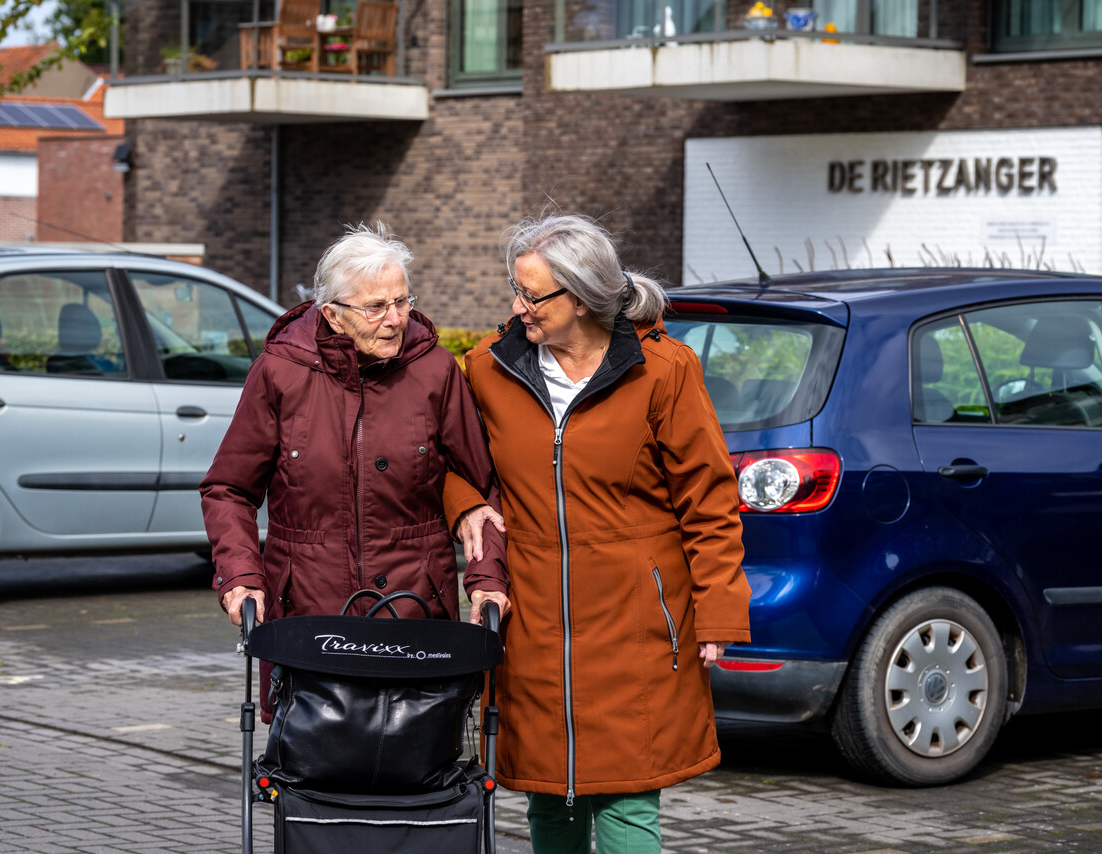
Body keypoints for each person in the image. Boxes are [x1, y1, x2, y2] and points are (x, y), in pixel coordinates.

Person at [446, 213, 751, 854]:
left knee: (627, 801)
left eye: (532, 294)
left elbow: (709, 499)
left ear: (581, 298)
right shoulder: (487, 370)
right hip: (532, 622)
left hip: (637, 623)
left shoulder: (663, 370)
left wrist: (719, 610)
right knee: (548, 799)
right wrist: (466, 505)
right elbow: (455, 464)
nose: (517, 306)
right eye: (516, 289)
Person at [201, 222, 510, 720]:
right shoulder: (279, 372)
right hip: (309, 618)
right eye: (376, 307)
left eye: (403, 302)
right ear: (333, 314)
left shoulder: (435, 370)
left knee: (416, 770)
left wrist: (487, 576)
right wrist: (240, 573)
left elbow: (482, 483)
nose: (395, 320)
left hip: (416, 611)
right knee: (314, 771)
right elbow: (228, 488)